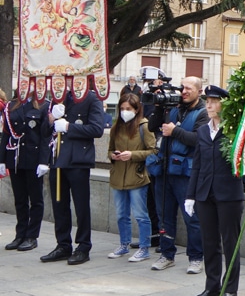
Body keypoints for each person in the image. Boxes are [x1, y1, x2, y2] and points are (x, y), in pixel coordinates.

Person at [185, 86, 243, 296]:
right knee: (209, 242)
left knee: (230, 243)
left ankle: (230, 288)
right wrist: (191, 195)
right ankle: (212, 286)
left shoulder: (234, 130)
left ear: (224, 104)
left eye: (214, 101)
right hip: (205, 193)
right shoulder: (203, 131)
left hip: (228, 194)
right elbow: (197, 165)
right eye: (207, 101)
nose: (208, 105)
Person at [41, 89, 105, 265]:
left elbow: (97, 129)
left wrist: (69, 127)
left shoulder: (91, 98)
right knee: (59, 205)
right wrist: (51, 119)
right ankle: (63, 245)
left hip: (78, 159)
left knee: (81, 206)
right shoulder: (58, 97)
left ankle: (83, 246)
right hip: (58, 159)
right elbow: (44, 131)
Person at [153, 76, 209, 273]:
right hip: (165, 170)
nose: (183, 92)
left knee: (191, 218)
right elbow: (152, 127)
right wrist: (158, 108)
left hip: (186, 174)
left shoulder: (203, 113)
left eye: (188, 89)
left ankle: (196, 257)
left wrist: (175, 131)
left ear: (199, 92)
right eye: (182, 88)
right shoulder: (172, 108)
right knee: (164, 216)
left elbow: (199, 139)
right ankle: (166, 254)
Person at [107, 94, 156, 262]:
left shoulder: (144, 126)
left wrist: (132, 155)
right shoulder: (116, 127)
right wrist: (113, 155)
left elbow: (153, 150)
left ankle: (144, 247)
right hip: (118, 176)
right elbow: (110, 149)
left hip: (137, 176)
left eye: (128, 109)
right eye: (122, 109)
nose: (124, 112)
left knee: (141, 215)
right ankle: (124, 244)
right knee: (121, 214)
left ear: (136, 109)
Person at [1, 95, 51, 251]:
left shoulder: (44, 105)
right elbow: (6, 134)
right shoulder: (11, 105)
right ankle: (20, 234)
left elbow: (45, 136)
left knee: (35, 199)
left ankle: (31, 236)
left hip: (33, 158)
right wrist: (2, 159)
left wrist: (44, 160)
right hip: (16, 157)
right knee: (20, 199)